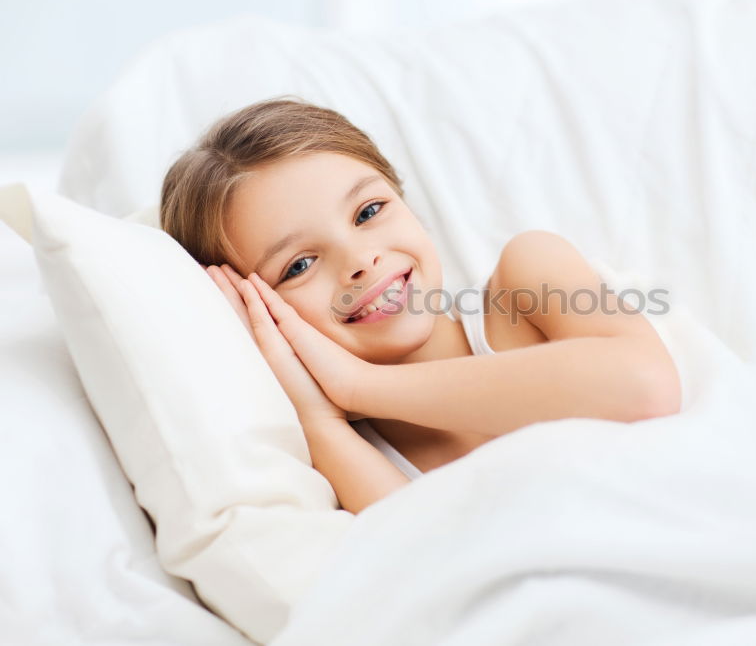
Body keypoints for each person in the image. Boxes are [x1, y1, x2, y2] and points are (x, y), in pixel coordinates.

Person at [160, 97, 680, 514]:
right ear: (257, 316)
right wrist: (319, 419)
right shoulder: (339, 451)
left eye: (368, 211)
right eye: (298, 265)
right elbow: (430, 573)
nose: (360, 260)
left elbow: (645, 386)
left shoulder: (525, 284)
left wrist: (360, 385)